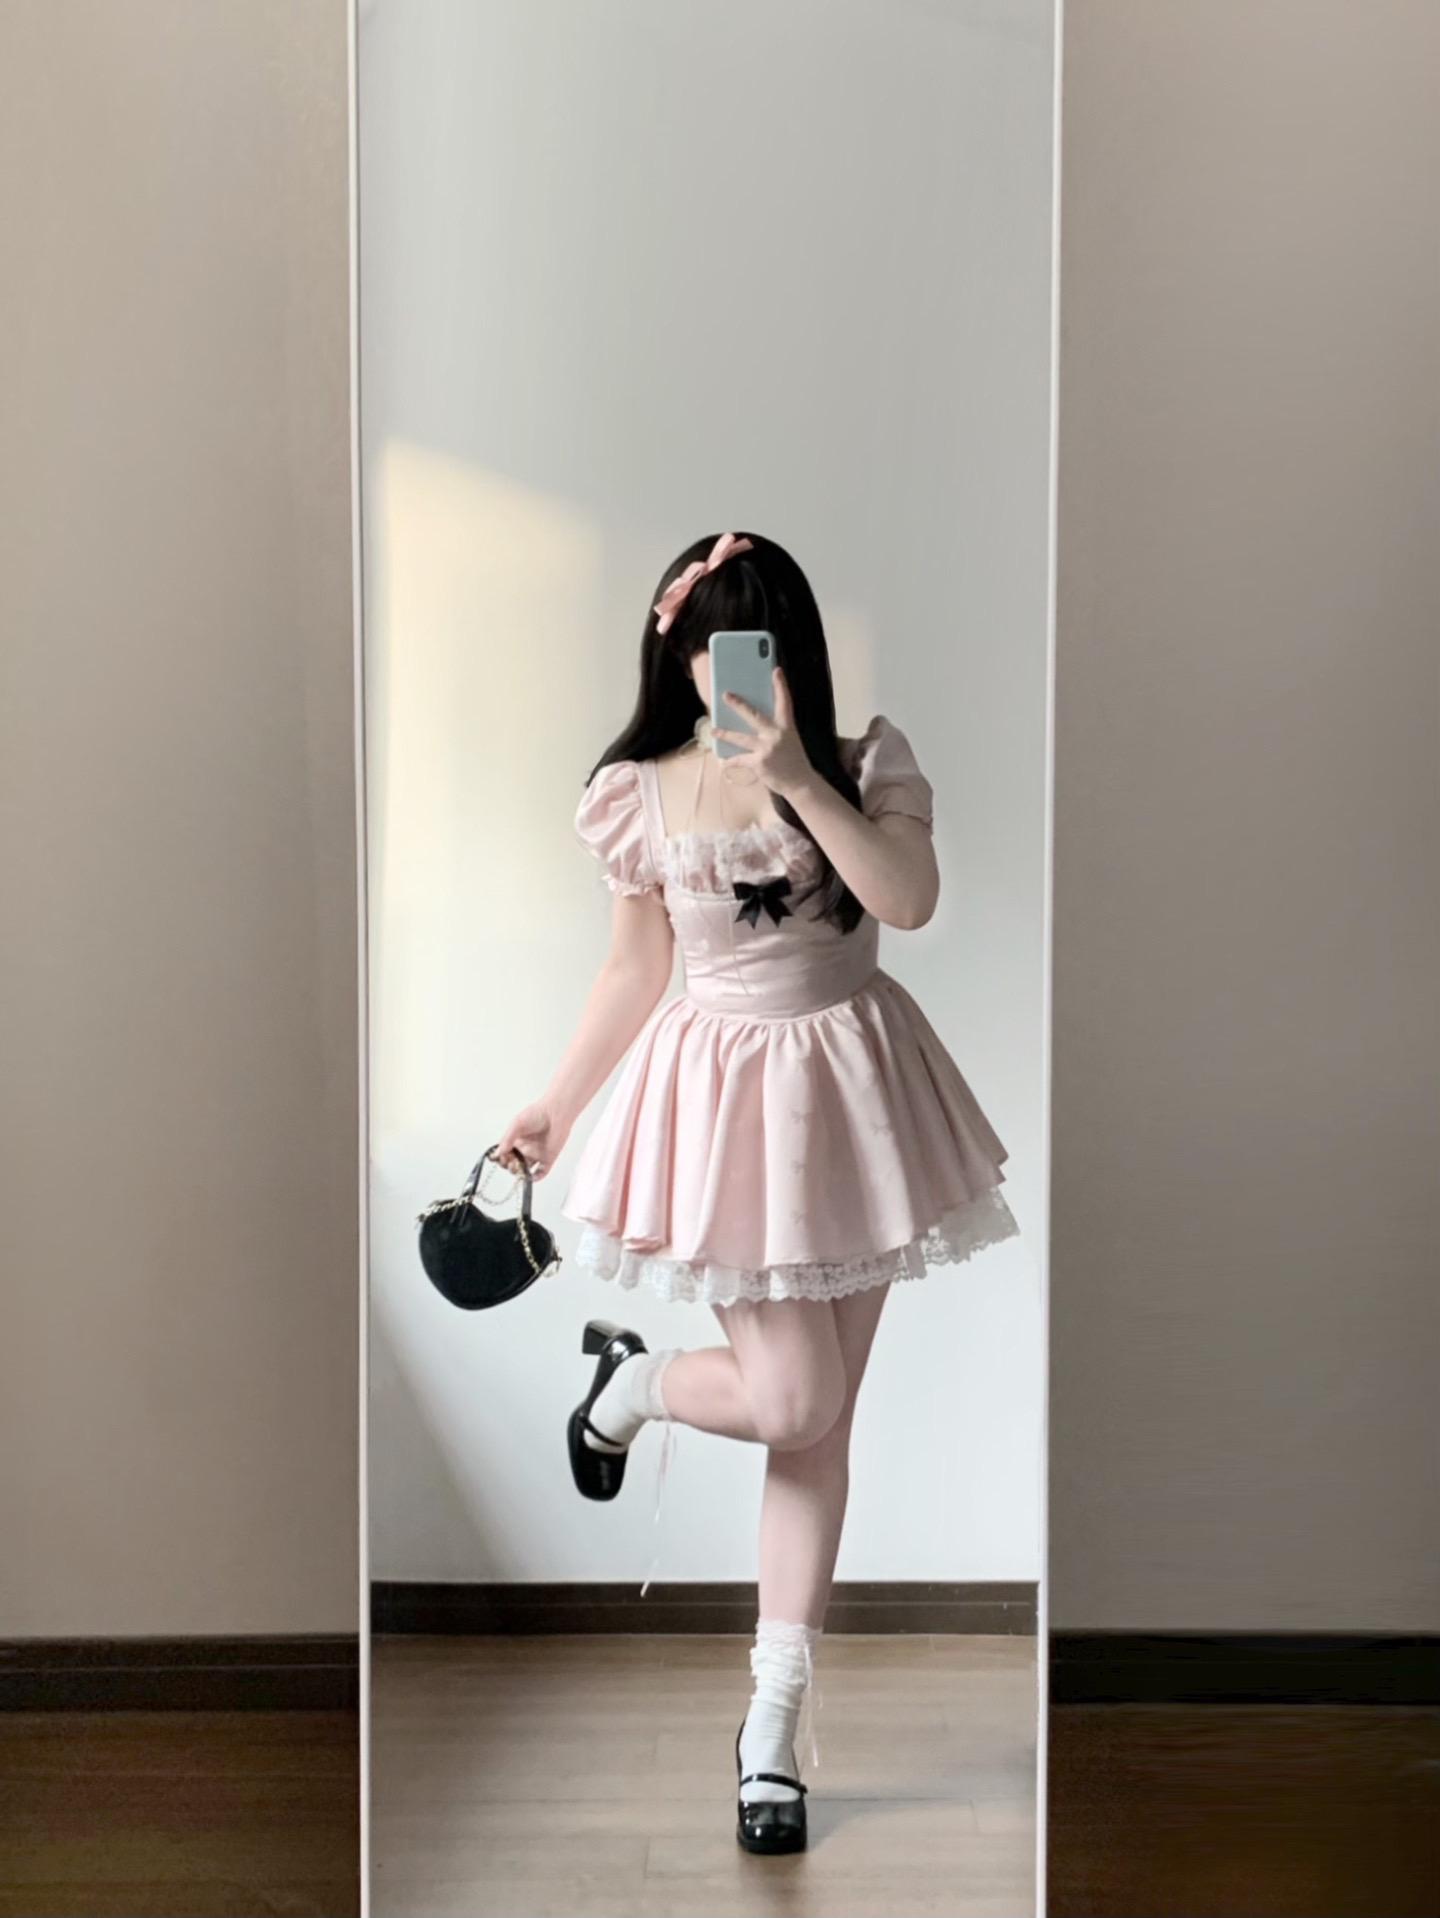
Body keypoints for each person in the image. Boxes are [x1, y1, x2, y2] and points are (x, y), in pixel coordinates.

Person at [497, 529, 1019, 1854]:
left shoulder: (863, 764)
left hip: (859, 1094)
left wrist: (794, 776)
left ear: (794, 656)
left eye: (755, 642)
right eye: (705, 641)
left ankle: (771, 1727)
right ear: (676, 652)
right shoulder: (642, 794)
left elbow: (907, 900)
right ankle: (632, 1386)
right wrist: (557, 1104)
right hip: (728, 1109)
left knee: (818, 1429)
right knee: (796, 1396)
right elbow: (636, 968)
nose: (724, 667)